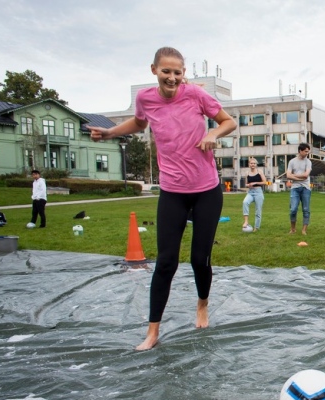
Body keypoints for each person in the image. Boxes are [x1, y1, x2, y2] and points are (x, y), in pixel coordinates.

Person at [88, 46, 237, 350]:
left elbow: (229, 122)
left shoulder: (196, 95)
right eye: (166, 71)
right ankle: (152, 331)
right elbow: (140, 123)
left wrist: (212, 135)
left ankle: (202, 304)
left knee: (199, 259)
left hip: (207, 190)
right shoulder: (145, 98)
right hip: (172, 191)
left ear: (184, 74)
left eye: (177, 72)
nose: (172, 77)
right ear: (154, 70)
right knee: (165, 262)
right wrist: (110, 133)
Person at [286, 143, 312, 235]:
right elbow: (288, 175)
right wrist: (298, 178)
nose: (307, 153)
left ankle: (304, 230)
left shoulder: (308, 162)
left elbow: (306, 175)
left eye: (308, 151)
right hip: (295, 188)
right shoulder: (292, 162)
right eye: (305, 151)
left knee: (306, 209)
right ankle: (293, 229)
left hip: (306, 188)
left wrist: (293, 176)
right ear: (300, 151)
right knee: (293, 209)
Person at [242, 159, 266, 231]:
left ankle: (256, 228)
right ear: (249, 164)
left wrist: (255, 183)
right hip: (250, 192)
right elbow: (246, 184)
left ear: (256, 164)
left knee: (258, 211)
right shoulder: (247, 173)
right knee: (245, 202)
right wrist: (248, 185)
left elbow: (265, 182)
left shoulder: (260, 172)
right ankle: (246, 221)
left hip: (258, 192)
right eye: (251, 163)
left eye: (254, 163)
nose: (253, 165)